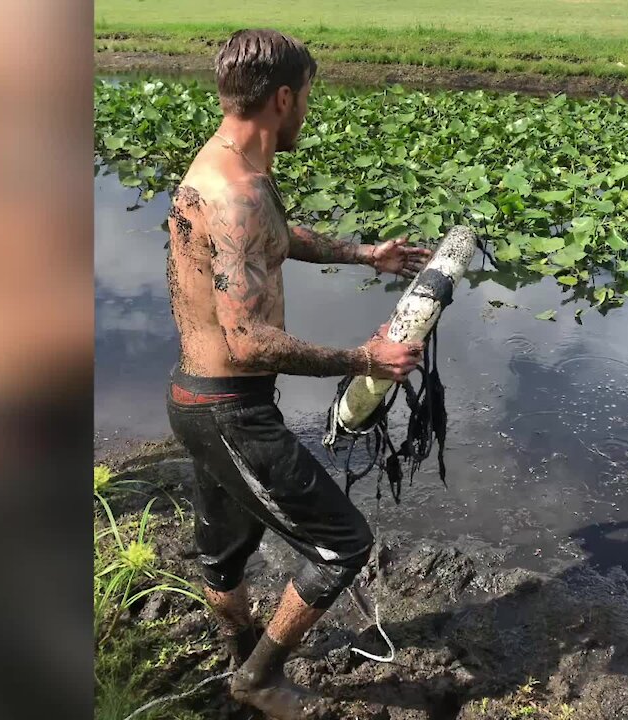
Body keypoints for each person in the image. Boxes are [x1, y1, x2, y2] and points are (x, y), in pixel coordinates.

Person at [164, 28, 433, 719]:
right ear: (284, 97)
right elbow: (251, 343)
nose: (309, 109)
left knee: (224, 554)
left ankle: (241, 650)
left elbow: (276, 239)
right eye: (309, 95)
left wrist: (364, 253)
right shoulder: (236, 195)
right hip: (232, 411)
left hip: (195, 398)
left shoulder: (225, 167)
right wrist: (365, 360)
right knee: (342, 544)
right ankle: (256, 677)